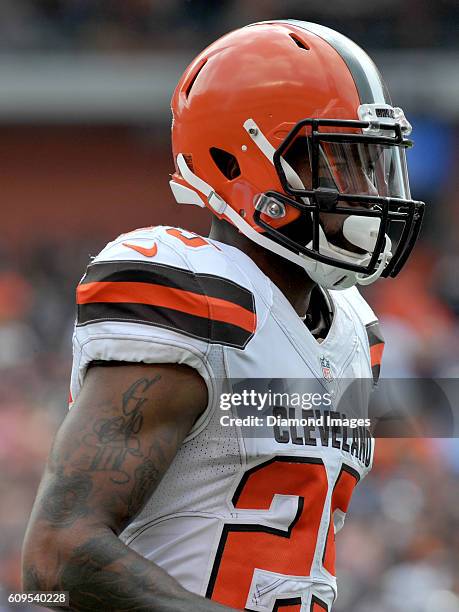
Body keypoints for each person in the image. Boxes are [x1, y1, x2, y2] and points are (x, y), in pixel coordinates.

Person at [22, 20, 424, 611]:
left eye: (371, 163)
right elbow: (57, 555)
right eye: (340, 161)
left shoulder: (354, 332)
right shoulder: (199, 296)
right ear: (241, 163)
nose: (366, 188)